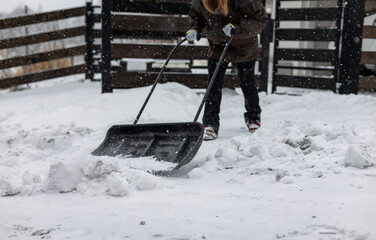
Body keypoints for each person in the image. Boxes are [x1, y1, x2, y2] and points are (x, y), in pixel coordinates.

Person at [186, 0, 268, 140]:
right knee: (213, 85)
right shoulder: (200, 2)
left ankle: (253, 118)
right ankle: (210, 124)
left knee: (247, 83)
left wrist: (237, 28)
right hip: (218, 47)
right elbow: (196, 17)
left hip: (244, 47)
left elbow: (260, 19)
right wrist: (193, 28)